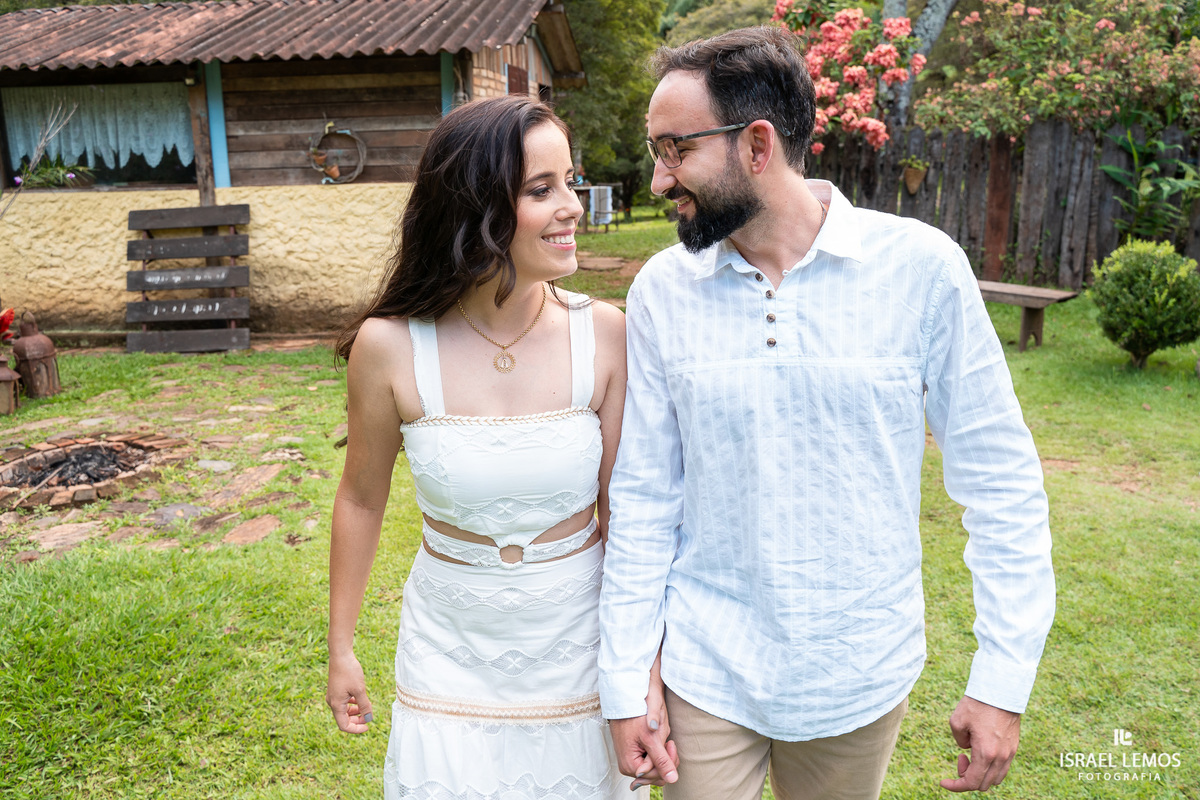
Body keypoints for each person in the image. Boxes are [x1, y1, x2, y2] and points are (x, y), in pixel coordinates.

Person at [598, 26, 1056, 800]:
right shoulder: (661, 292)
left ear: (756, 144)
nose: (656, 179)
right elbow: (646, 498)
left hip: (859, 670)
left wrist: (1003, 679)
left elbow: (1000, 481)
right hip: (706, 666)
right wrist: (624, 672)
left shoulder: (921, 270)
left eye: (674, 150)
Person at [326, 94, 661, 799]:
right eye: (542, 190)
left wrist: (642, 670)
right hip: (448, 649)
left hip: (577, 643)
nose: (571, 204)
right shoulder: (388, 348)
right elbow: (361, 498)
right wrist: (342, 647)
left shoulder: (605, 334)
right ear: (474, 207)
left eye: (570, 180)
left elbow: (627, 515)